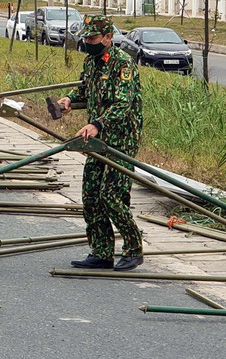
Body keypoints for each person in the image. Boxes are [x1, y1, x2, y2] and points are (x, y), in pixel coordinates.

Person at [55, 14, 144, 272]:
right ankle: (102, 252)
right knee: (91, 194)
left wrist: (98, 124)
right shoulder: (91, 62)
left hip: (120, 138)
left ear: (108, 37)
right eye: (85, 37)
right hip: (96, 138)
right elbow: (85, 89)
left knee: (112, 196)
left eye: (93, 37)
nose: (88, 41)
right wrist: (70, 100)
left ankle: (133, 248)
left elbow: (123, 104)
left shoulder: (123, 64)